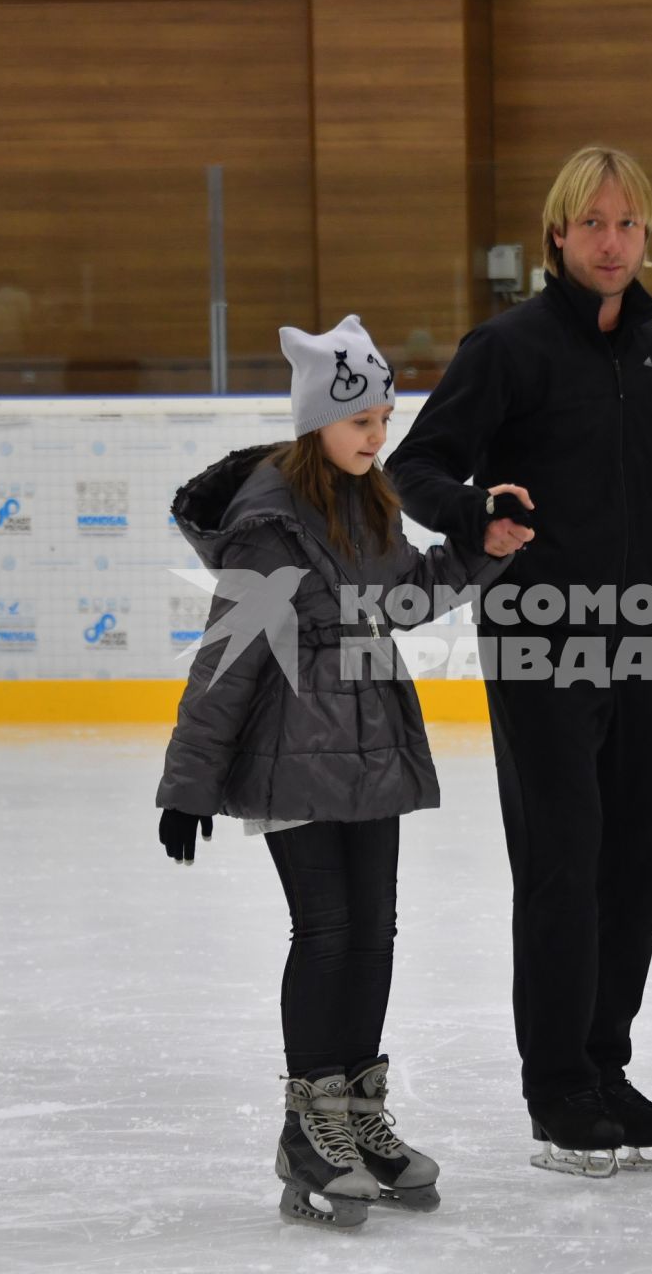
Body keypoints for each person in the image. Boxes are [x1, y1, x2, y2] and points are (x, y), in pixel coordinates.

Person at [386, 146, 652, 1176]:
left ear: (646, 236)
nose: (611, 241)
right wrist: (477, 511)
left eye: (628, 224)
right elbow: (415, 465)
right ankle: (556, 1083)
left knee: (637, 859)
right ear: (557, 235)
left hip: (629, 637)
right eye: (591, 223)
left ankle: (605, 1062)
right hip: (537, 635)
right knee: (563, 864)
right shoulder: (508, 347)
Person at [155, 315, 526, 1228]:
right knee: (326, 931)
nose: (378, 433)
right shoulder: (269, 522)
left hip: (370, 740)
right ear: (319, 418)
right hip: (289, 750)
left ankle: (359, 1118)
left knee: (375, 931)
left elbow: (405, 595)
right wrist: (187, 786)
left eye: (385, 417)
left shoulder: (368, 501)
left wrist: (484, 544)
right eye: (362, 418)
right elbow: (229, 653)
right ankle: (308, 1127)